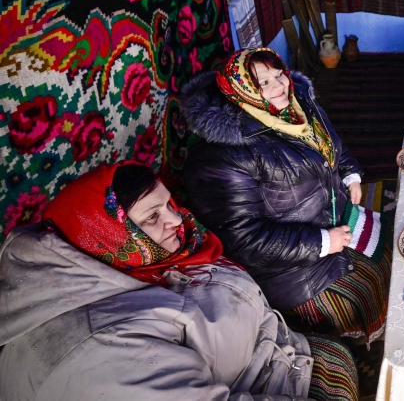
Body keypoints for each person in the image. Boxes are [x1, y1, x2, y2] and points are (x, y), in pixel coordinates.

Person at [0, 162, 359, 401]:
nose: (177, 220)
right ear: (105, 235)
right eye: (153, 216)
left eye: (170, 204)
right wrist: (321, 242)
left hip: (269, 352)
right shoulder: (97, 348)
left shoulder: (154, 259)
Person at [180, 48, 389, 346]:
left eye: (279, 75)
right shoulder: (222, 157)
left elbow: (332, 144)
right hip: (294, 270)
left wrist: (350, 174)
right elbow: (242, 240)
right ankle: (351, 347)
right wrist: (322, 242)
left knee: (396, 250)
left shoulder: (299, 105)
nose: (280, 87)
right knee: (363, 291)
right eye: (263, 83)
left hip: (336, 218)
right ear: (239, 90)